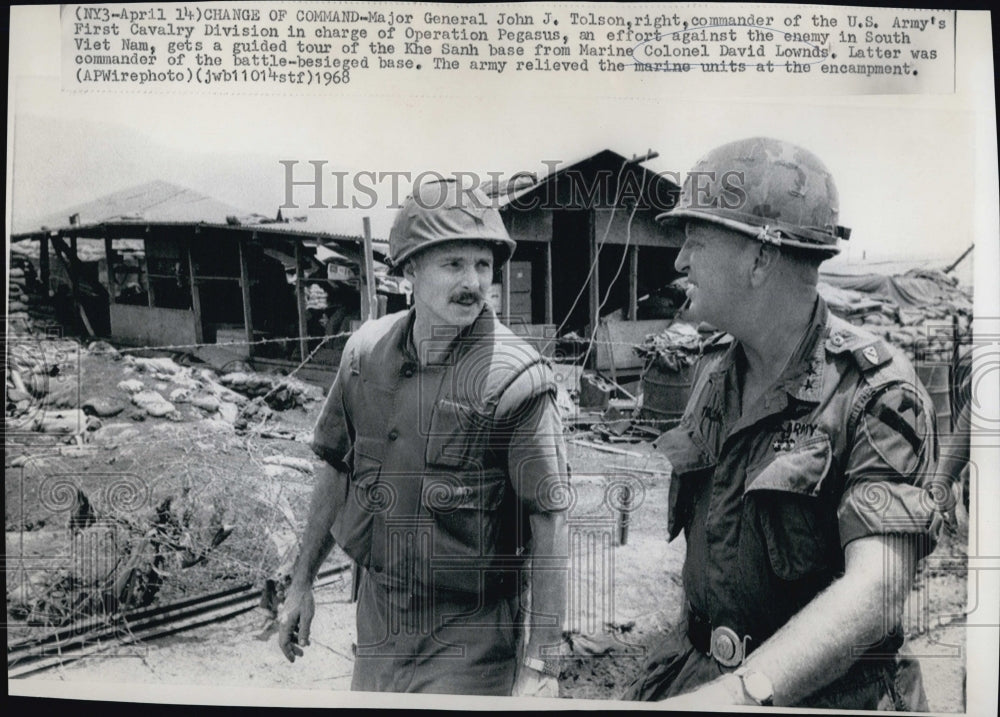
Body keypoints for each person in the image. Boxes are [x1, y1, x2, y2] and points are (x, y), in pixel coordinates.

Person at [625, 137, 944, 709]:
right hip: (699, 675)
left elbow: (878, 589)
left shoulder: (876, 391)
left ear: (760, 259)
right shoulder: (712, 369)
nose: (679, 260)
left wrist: (743, 691)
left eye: (696, 240)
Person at [278, 179, 569, 697]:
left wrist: (540, 663)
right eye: (453, 264)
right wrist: (302, 584)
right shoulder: (364, 356)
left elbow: (548, 520)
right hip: (379, 622)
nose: (474, 283)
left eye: (483, 265)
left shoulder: (516, 378)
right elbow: (335, 468)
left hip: (471, 636)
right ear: (410, 268)